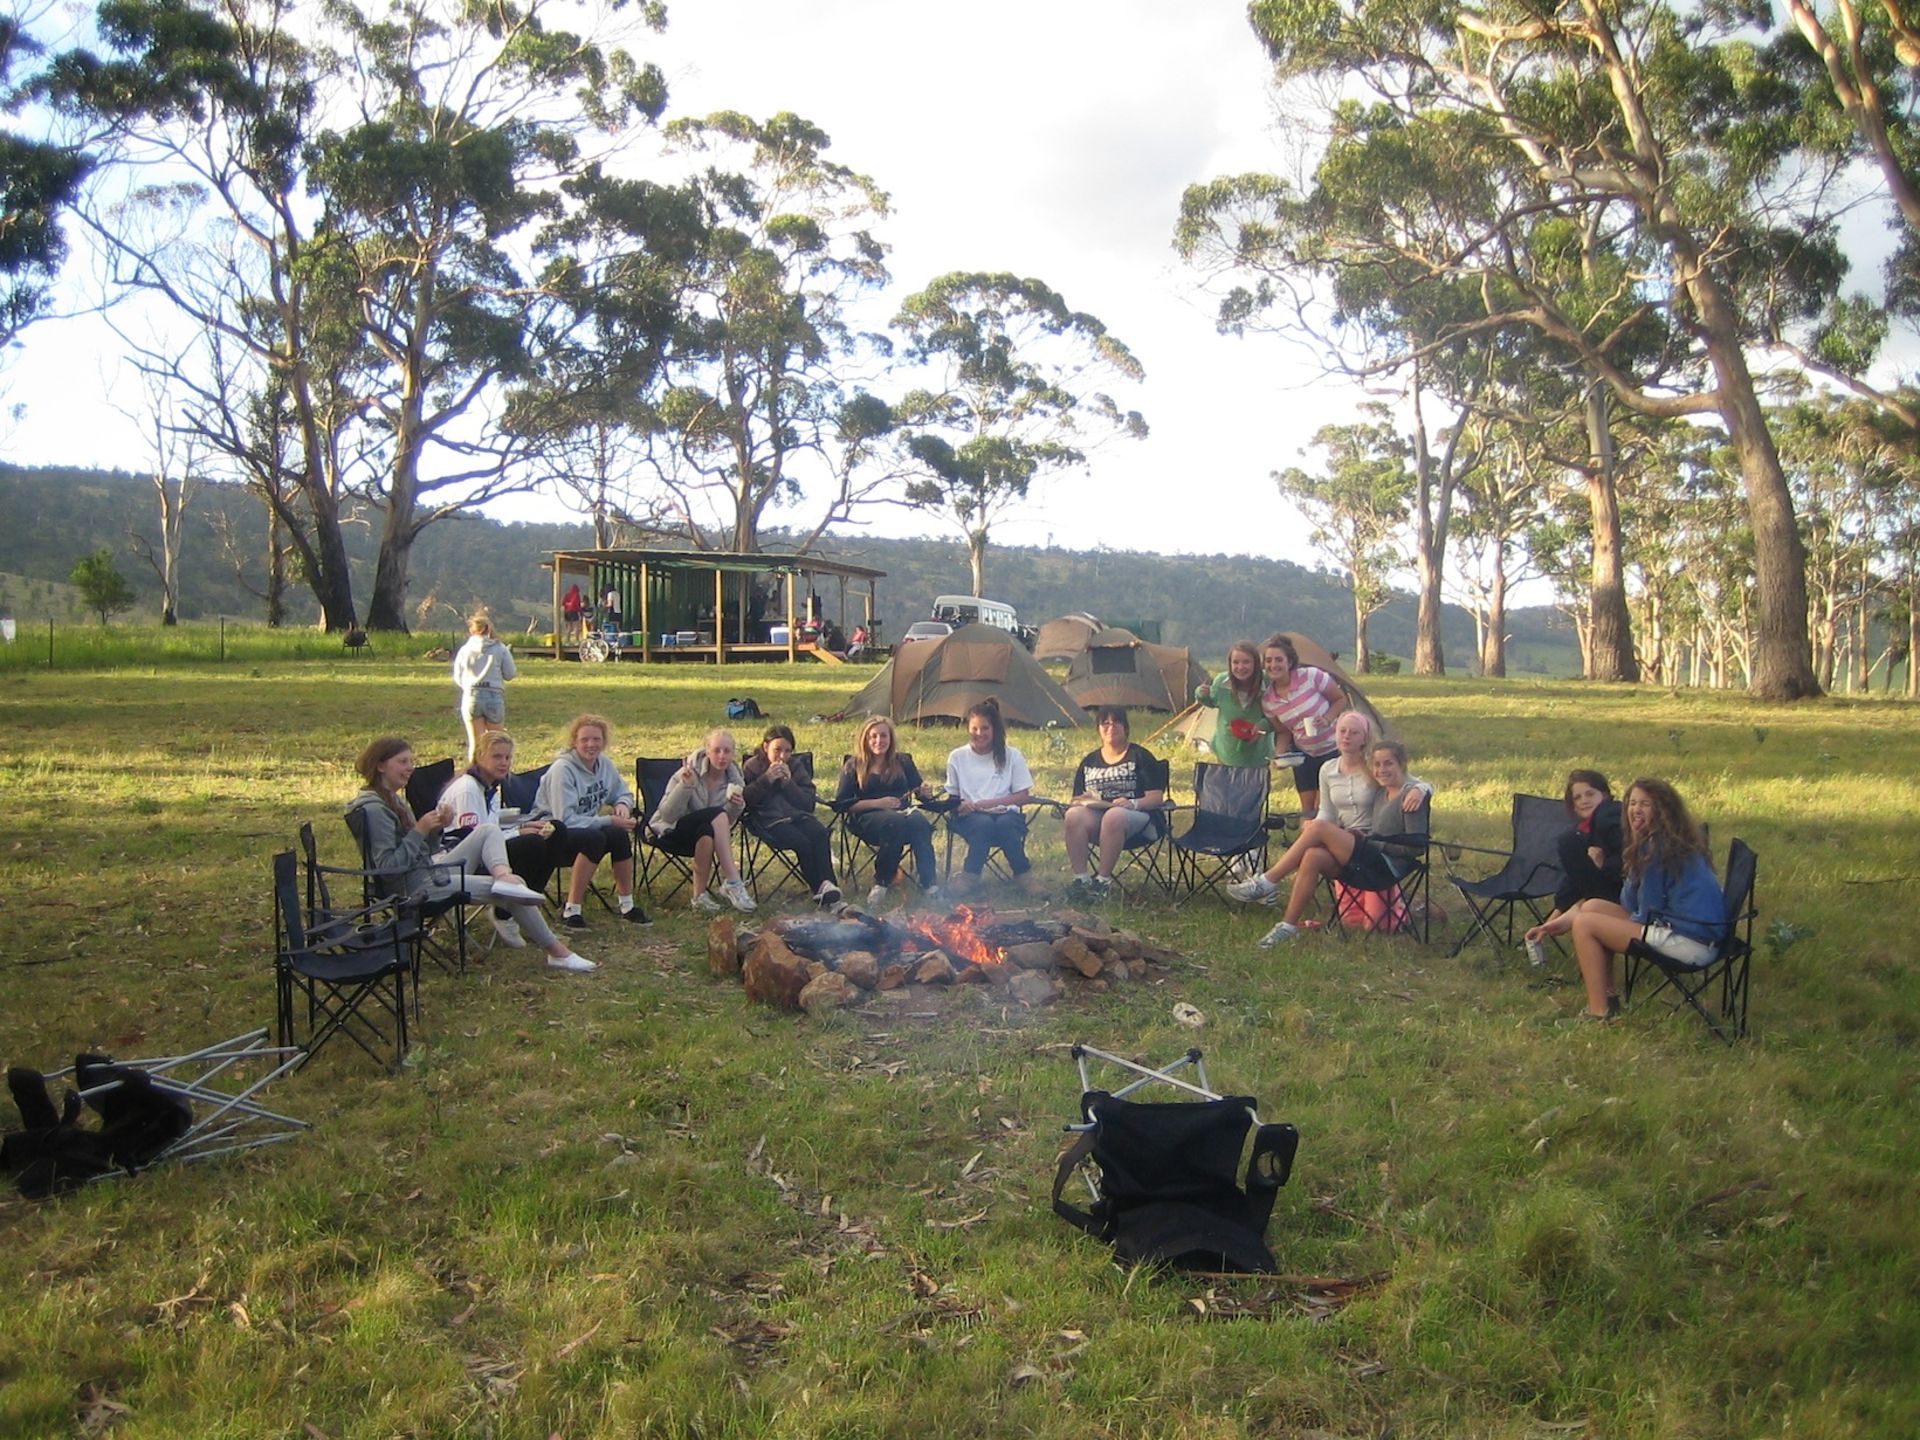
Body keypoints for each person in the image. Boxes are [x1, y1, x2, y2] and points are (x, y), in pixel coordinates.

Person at [346, 736, 594, 973]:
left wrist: (435, 829)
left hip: (429, 869)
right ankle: (558, 953)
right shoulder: (374, 809)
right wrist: (420, 829)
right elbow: (388, 868)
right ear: (380, 765)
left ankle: (504, 875)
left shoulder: (392, 799)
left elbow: (428, 849)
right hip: (411, 887)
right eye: (403, 762)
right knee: (508, 893)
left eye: (411, 761)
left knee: (488, 831)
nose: (410, 768)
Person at [1526, 778, 1727, 1023]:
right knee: (1592, 906)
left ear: (1662, 810)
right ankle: (1609, 998)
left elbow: (1645, 911)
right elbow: (1628, 902)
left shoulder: (1659, 849)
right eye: (1632, 803)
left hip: (1691, 942)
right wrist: (1563, 920)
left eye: (1646, 804)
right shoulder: (1656, 841)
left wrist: (1591, 920)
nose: (1636, 810)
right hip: (1687, 931)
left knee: (1587, 924)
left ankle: (1598, 1013)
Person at [1226, 713, 1427, 943]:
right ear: (1335, 734)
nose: (1347, 737)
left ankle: (1267, 882)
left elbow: (1413, 781)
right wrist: (1315, 828)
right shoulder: (1327, 769)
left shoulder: (1375, 765)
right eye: (1342, 731)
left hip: (1372, 847)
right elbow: (1327, 813)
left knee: (1319, 827)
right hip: (1344, 843)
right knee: (1313, 854)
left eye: (1354, 732)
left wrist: (1421, 790)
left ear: (1364, 738)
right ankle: (1287, 926)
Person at [440, 732, 583, 946]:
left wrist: (523, 826)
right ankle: (504, 913)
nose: (504, 763)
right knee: (531, 844)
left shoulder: (491, 787)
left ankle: (525, 907)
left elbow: (494, 826)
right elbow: (474, 838)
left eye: (507, 758)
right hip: (466, 864)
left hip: (490, 852)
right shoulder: (468, 789)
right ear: (480, 756)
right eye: (497, 757)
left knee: (556, 830)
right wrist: (519, 833)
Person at [535, 714, 649, 929]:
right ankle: (572, 910)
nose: (591, 744)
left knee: (617, 835)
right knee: (595, 837)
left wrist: (623, 805)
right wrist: (607, 819)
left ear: (604, 741)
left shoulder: (604, 764)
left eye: (596, 739)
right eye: (585, 739)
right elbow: (564, 820)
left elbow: (622, 792)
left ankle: (627, 904)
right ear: (574, 741)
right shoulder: (563, 770)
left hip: (584, 827)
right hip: (551, 833)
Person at [1063, 706, 1167, 899]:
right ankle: (1081, 880)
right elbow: (1075, 799)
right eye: (1105, 723)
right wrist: (1086, 801)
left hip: (1139, 818)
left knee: (1115, 815)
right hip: (1098, 815)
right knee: (1073, 815)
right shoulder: (1090, 761)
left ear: (1125, 727)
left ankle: (1102, 882)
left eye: (1116, 722)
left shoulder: (1140, 756)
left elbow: (1156, 797)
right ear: (1098, 729)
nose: (1111, 727)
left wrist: (1133, 803)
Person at [837, 716, 940, 908]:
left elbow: (920, 793)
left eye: (883, 736)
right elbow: (842, 804)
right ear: (865, 740)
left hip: (902, 815)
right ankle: (882, 882)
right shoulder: (853, 765)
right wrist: (878, 803)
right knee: (893, 822)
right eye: (873, 737)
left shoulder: (903, 761)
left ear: (891, 738)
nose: (879, 741)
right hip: (866, 818)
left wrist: (925, 792)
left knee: (920, 823)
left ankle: (929, 883)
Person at [649, 728, 755, 914]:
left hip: (704, 835)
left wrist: (736, 806)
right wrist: (686, 786)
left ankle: (699, 897)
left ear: (733, 754)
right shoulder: (689, 772)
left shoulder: (736, 780)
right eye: (717, 750)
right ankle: (733, 881)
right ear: (707, 751)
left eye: (727, 751)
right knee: (716, 816)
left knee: (707, 831)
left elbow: (725, 823)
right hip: (671, 830)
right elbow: (667, 814)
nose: (722, 756)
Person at [742, 724, 844, 910]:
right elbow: (746, 800)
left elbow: (808, 803)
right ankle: (819, 889)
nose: (782, 756)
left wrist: (789, 784)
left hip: (798, 816)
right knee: (802, 842)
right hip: (768, 821)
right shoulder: (752, 766)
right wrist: (766, 780)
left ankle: (829, 886)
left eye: (787, 751)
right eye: (777, 750)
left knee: (820, 833)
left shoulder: (795, 766)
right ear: (766, 747)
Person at [1531, 770, 1626, 958]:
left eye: (1590, 794)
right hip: (1607, 891)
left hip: (1626, 892)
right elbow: (1576, 876)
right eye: (1577, 798)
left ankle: (1567, 918)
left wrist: (1602, 864)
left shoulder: (1609, 814)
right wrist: (1556, 913)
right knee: (1570, 844)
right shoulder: (1584, 831)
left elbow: (1629, 856)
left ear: (1605, 795)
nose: (1584, 800)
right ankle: (1559, 922)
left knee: (1567, 843)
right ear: (1573, 807)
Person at [944, 698, 1035, 883]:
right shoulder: (957, 757)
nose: (979, 733)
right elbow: (952, 798)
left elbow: (1023, 796)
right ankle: (970, 876)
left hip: (1006, 813)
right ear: (968, 729)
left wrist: (990, 804)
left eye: (985, 728)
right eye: (975, 728)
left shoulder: (1012, 755)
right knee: (983, 824)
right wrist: (961, 805)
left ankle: (1024, 877)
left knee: (1005, 825)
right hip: (970, 817)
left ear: (994, 729)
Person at [1259, 633, 1349, 816]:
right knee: (1308, 810)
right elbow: (1283, 732)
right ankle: (1306, 841)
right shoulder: (1269, 701)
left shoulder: (1312, 677)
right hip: (1304, 756)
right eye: (1268, 660)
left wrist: (1327, 719)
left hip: (1333, 750)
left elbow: (1340, 699)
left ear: (1289, 662)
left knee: (1326, 807)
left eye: (1278, 660)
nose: (1273, 665)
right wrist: (1279, 755)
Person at [1193, 640, 1275, 767]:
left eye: (1246, 662)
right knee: (1227, 785)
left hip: (1258, 753)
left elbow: (1277, 714)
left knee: (1255, 786)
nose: (1240, 667)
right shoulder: (1221, 682)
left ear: (1256, 664)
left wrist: (1262, 725)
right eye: (1235, 662)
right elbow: (1212, 701)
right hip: (1226, 750)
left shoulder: (1266, 682)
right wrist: (1200, 694)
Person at [452, 613, 516, 763]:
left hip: (472, 694)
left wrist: (468, 685)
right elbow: (510, 673)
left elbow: (458, 677)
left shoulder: (465, 650)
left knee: (476, 743)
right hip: (494, 695)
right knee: (497, 743)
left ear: (472, 631)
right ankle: (498, 777)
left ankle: (474, 774)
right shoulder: (500, 648)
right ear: (489, 629)